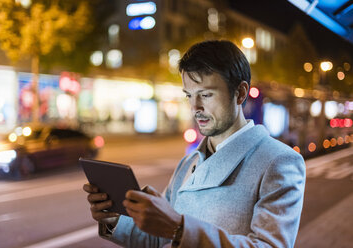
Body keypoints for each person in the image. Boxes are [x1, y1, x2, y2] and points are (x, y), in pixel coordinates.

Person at [83, 40, 306, 247]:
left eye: (206, 94)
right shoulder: (188, 162)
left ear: (240, 93)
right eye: (189, 95)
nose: (195, 107)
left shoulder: (279, 161)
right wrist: (112, 217)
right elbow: (156, 236)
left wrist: (180, 228)